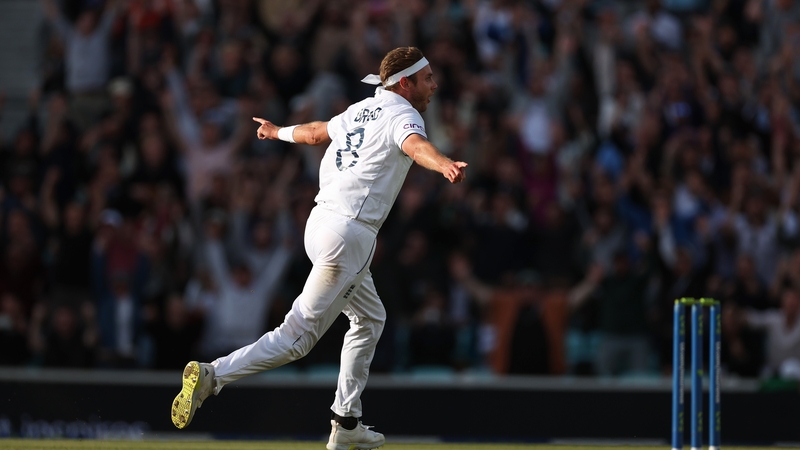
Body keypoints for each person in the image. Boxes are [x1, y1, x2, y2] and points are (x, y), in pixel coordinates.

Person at [170, 47, 467, 450]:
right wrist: (444, 163)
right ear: (404, 83)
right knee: (297, 339)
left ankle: (346, 422)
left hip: (319, 224)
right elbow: (415, 146)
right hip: (350, 235)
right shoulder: (405, 114)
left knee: (370, 318)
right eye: (427, 77)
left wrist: (277, 132)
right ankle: (213, 375)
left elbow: (313, 134)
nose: (434, 84)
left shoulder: (361, 110)